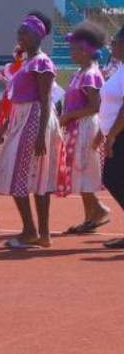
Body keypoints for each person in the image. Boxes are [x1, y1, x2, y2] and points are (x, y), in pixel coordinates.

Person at [0, 12, 61, 249]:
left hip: (34, 119)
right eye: (19, 32)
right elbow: (18, 98)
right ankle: (37, 232)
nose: (20, 36)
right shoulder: (27, 62)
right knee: (31, 177)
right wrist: (6, 125)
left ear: (37, 36)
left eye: (24, 32)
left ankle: (33, 231)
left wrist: (40, 135)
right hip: (22, 119)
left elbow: (46, 98)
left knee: (23, 175)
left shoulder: (41, 62)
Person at [57, 23, 111, 233]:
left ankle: (97, 211)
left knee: (85, 171)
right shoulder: (81, 73)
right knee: (80, 172)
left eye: (74, 49)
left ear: (85, 50)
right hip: (77, 127)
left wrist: (68, 116)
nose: (71, 52)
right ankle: (92, 215)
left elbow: (95, 106)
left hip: (86, 127)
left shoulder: (90, 74)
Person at [96, 28, 124, 247]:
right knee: (113, 178)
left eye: (115, 41)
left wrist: (112, 134)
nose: (111, 45)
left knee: (112, 177)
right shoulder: (119, 69)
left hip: (121, 134)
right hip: (114, 133)